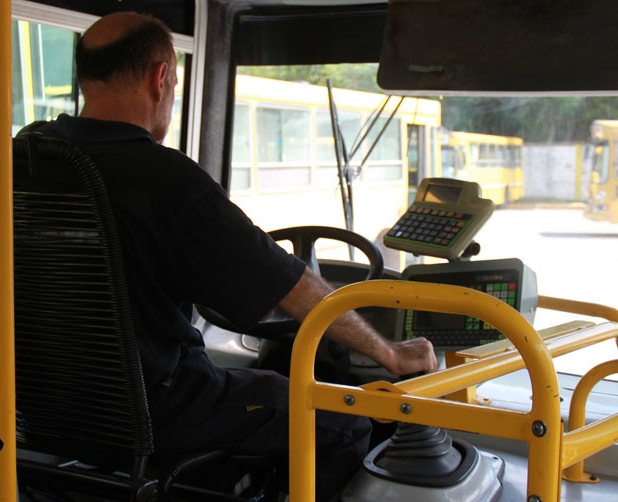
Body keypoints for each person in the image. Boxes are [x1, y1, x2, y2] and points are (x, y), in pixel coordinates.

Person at [34, 12, 438, 499]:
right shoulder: (161, 177)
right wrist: (389, 352)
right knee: (341, 422)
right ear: (160, 77)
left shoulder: (29, 157)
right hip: (151, 410)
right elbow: (288, 284)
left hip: (37, 405)